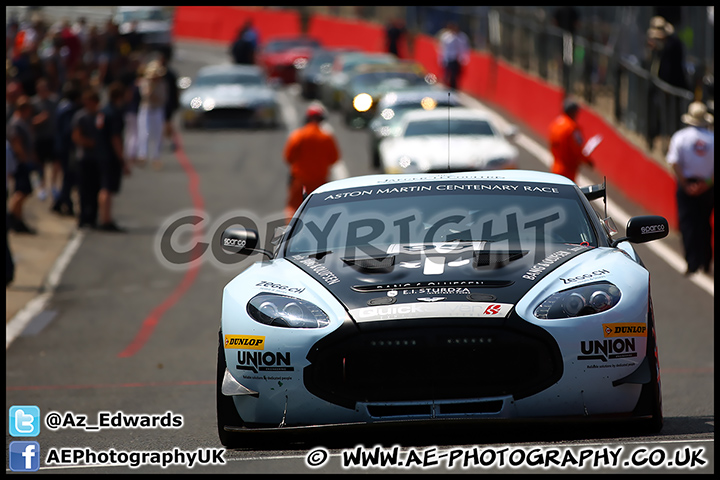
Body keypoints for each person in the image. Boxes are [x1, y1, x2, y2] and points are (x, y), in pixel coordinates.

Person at [666, 102, 714, 275]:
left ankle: (691, 262)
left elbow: (674, 162)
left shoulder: (680, 137)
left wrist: (686, 184)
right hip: (707, 186)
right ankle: (706, 260)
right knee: (704, 223)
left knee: (687, 223)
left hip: (686, 183)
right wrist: (705, 184)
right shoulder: (712, 139)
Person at [283, 104, 340, 219]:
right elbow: (334, 158)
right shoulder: (326, 137)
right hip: (320, 182)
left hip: (300, 180)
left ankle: (291, 234)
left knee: (294, 209)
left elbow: (288, 157)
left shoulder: (298, 136)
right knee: (320, 210)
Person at [96, 81, 130, 232]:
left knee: (104, 187)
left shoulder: (103, 111)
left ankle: (104, 217)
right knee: (108, 188)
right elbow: (115, 138)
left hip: (100, 152)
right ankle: (106, 219)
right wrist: (122, 158)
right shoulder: (115, 113)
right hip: (110, 155)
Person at [71, 88, 103, 229]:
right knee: (84, 190)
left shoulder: (100, 116)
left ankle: (93, 217)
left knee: (96, 188)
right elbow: (76, 136)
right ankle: (83, 217)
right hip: (85, 157)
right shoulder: (81, 116)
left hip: (97, 157)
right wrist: (88, 143)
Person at [6, 95, 37, 234]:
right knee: (21, 191)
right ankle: (13, 217)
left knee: (24, 191)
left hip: (23, 161)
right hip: (19, 162)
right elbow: (17, 143)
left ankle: (17, 217)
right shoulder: (16, 123)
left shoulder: (22, 122)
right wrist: (25, 159)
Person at [52, 82, 83, 217]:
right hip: (67, 148)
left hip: (61, 146)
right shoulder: (69, 110)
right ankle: (64, 201)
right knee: (69, 175)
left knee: (68, 175)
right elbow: (67, 130)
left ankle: (60, 202)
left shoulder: (61, 106)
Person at [548, 98, 595, 182]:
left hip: (555, 168)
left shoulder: (556, 124)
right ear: (573, 112)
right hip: (567, 172)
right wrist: (588, 161)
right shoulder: (572, 128)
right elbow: (578, 149)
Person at [31, 77, 60, 202]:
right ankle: (41, 186)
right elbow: (29, 122)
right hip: (40, 138)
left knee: (56, 162)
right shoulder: (33, 103)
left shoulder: (54, 101)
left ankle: (53, 185)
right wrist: (40, 119)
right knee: (40, 164)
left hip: (52, 137)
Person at [136, 59, 167, 169]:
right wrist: (150, 87)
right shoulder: (145, 82)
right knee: (144, 133)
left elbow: (162, 98)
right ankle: (142, 154)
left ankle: (156, 156)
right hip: (146, 109)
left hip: (157, 109)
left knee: (157, 134)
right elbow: (146, 95)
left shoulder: (162, 84)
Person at [438, 22, 470, 90]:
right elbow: (442, 48)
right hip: (448, 58)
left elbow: (464, 48)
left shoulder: (462, 37)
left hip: (457, 59)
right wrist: (441, 58)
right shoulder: (446, 36)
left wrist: (464, 59)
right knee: (447, 74)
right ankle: (446, 87)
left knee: (456, 75)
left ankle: (454, 88)